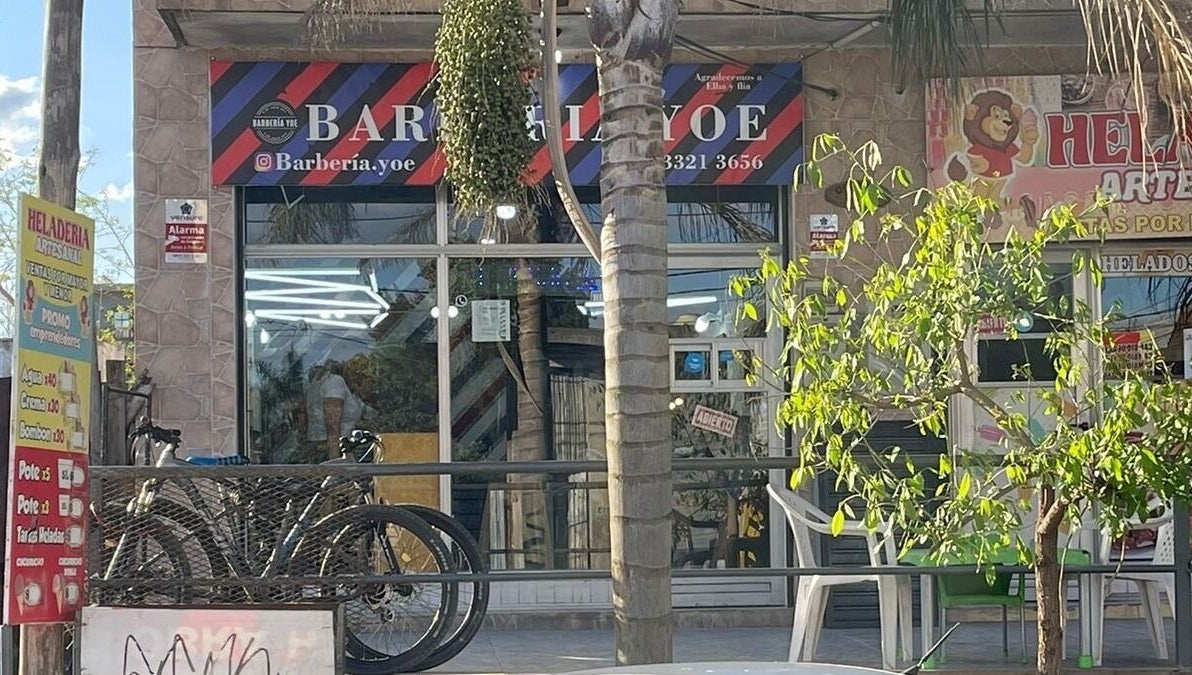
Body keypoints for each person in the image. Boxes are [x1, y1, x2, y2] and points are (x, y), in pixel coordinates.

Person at [304, 360, 369, 461]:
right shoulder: (334, 382)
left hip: (338, 449)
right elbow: (332, 427)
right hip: (339, 452)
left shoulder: (327, 383)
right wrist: (335, 461)